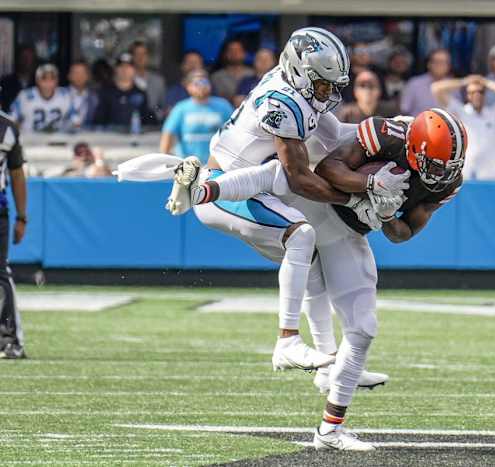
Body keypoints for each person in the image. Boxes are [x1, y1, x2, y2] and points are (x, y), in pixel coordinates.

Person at [171, 108, 464, 450]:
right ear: (414, 147)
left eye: (448, 166)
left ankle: (330, 430)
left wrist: (384, 214)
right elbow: (328, 168)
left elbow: (405, 232)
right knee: (280, 175)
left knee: (364, 328)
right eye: (435, 164)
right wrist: (367, 185)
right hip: (319, 201)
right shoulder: (386, 134)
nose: (440, 174)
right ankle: (204, 188)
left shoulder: (449, 181)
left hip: (349, 232)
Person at [165, 28, 401, 450]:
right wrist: (361, 193)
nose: (328, 91)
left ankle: (328, 365)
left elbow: (335, 137)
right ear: (301, 70)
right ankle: (287, 340)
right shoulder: (283, 99)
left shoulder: (300, 88)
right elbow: (300, 178)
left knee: (310, 259)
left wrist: (392, 129)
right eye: (324, 82)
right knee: (301, 233)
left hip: (256, 185)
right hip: (228, 188)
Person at [432, 74, 495, 179]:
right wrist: (464, 81)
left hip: (493, 174)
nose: (476, 95)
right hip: (467, 173)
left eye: (480, 92)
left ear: (485, 94)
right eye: (472, 92)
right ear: (467, 95)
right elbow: (436, 89)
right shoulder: (461, 111)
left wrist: (486, 82)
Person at [0, 110, 28, 359]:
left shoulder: (7, 127)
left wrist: (21, 215)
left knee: (0, 272)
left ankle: (10, 340)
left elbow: (17, 173)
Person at [160, 70, 233, 163]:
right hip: (188, 167)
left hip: (217, 166)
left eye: (205, 82)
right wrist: (164, 160)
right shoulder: (180, 108)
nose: (201, 86)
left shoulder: (223, 105)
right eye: (197, 83)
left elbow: (235, 131)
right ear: (188, 87)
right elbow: (168, 134)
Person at [93, 53, 152, 131]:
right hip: (110, 139)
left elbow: (148, 121)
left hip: (135, 139)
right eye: (121, 66)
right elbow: (98, 121)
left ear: (134, 70)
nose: (125, 70)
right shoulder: (105, 92)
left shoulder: (141, 93)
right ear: (116, 69)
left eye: (128, 67)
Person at [10, 64, 72, 133]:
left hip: (57, 141)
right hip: (29, 141)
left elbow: (74, 121)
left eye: (52, 78)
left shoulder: (65, 95)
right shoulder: (25, 96)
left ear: (57, 80)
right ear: (37, 80)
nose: (48, 83)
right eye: (44, 78)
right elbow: (12, 118)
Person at [400, 48, 453, 116]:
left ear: (449, 66)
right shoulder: (414, 83)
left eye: (443, 62)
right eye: (436, 62)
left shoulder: (454, 86)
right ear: (429, 64)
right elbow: (404, 110)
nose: (439, 65)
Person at [130, 41, 166, 122]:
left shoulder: (158, 81)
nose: (140, 57)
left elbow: (162, 107)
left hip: (153, 125)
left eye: (144, 54)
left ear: (148, 56)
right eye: (137, 54)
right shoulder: (126, 79)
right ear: (132, 57)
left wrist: (155, 116)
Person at [211, 39, 254, 105]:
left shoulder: (252, 74)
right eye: (231, 50)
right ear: (225, 54)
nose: (235, 53)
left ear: (244, 53)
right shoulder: (216, 77)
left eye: (238, 50)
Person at [0, 45, 37, 112]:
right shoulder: (6, 82)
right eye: (24, 58)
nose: (27, 62)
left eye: (30, 58)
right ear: (18, 59)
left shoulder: (39, 83)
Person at [67, 61, 99, 130]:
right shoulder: (61, 95)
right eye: (75, 73)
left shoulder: (95, 98)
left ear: (88, 76)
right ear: (69, 76)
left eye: (82, 73)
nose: (79, 76)